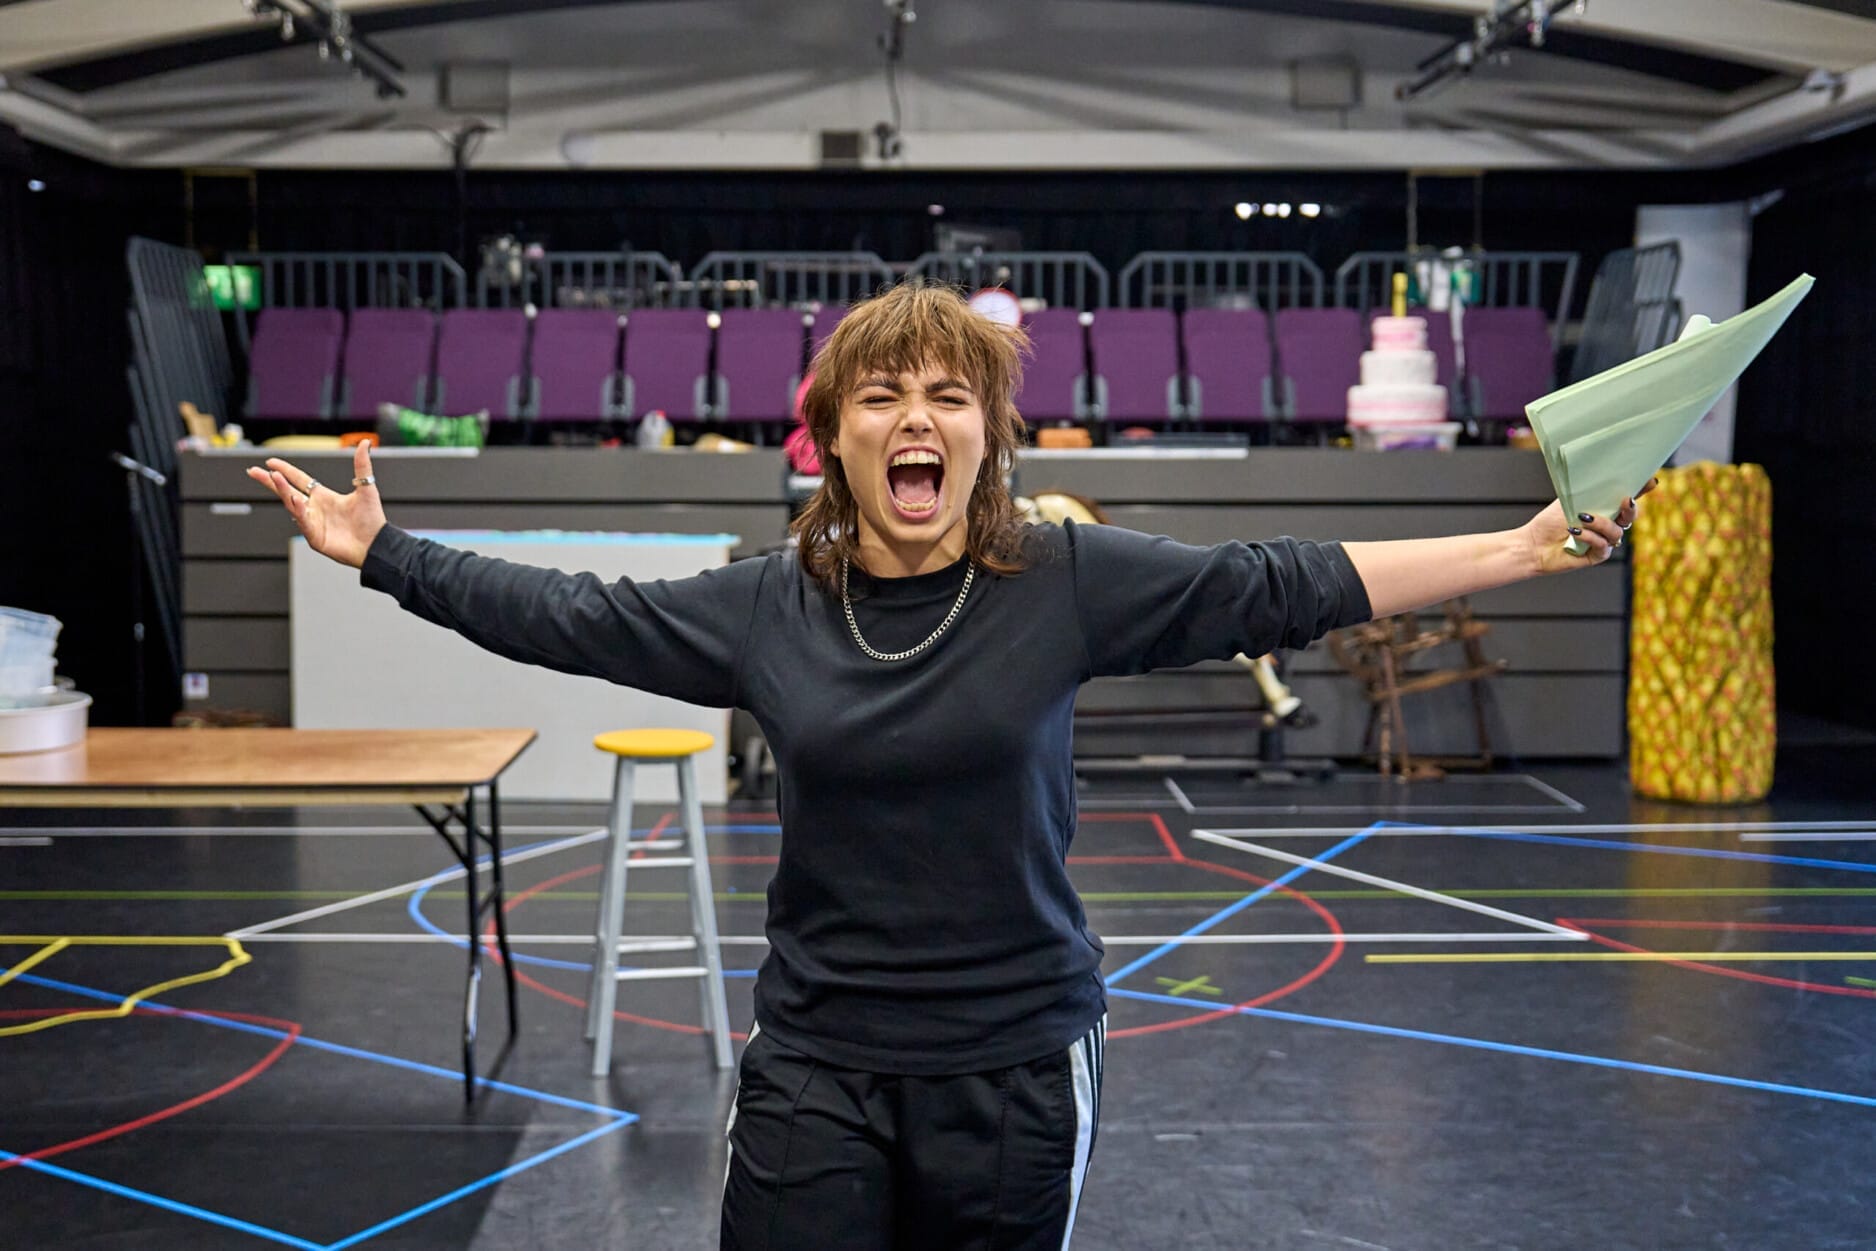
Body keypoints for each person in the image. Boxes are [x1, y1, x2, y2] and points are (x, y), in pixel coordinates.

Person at [249, 281, 1645, 1250]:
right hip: (817, 1069)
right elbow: (568, 615)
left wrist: (1522, 548)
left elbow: (1286, 582)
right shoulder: (767, 603)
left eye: (947, 397)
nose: (915, 419)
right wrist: (384, 554)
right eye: (880, 397)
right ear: (834, 438)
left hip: (1017, 1069)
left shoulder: (1064, 579)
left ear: (986, 438)